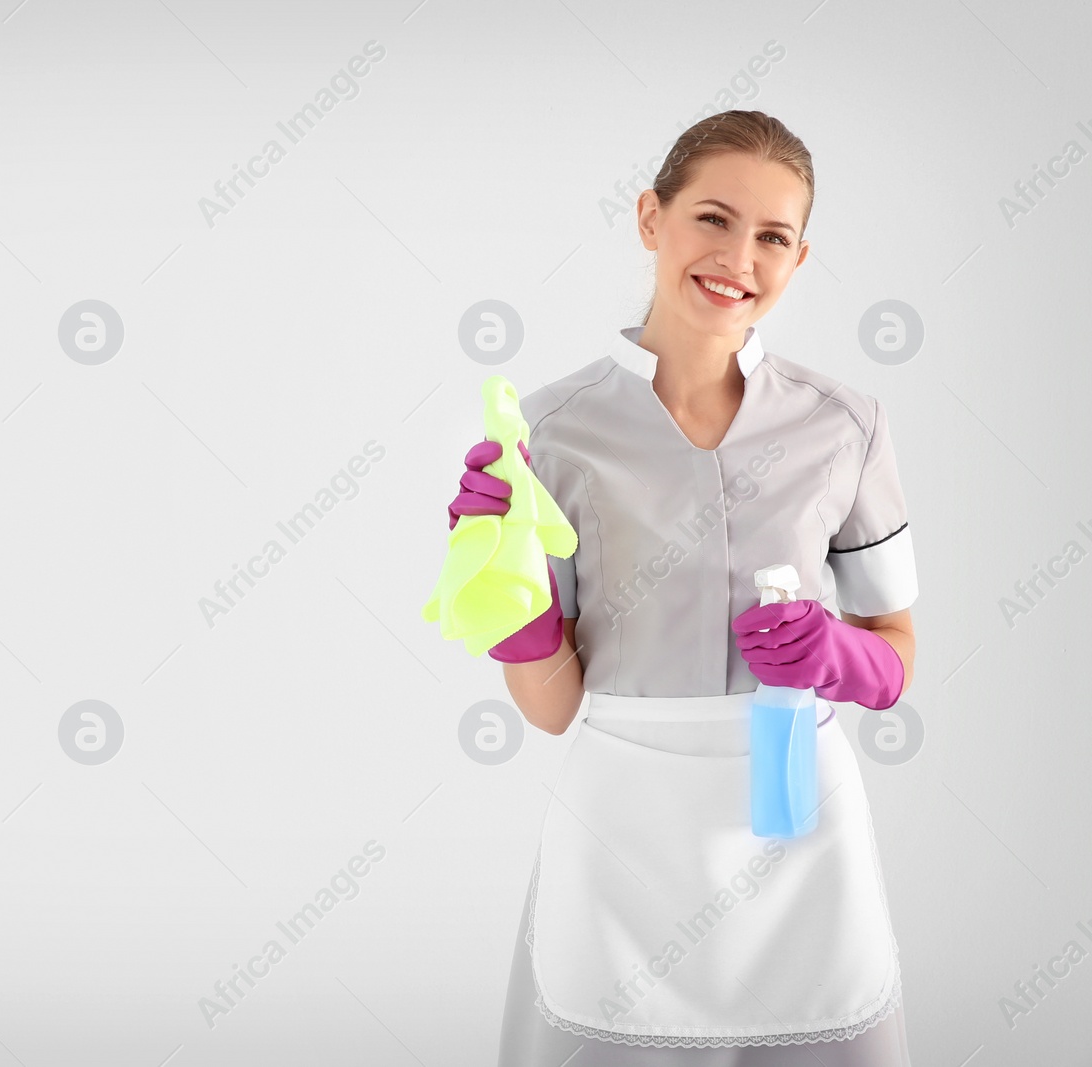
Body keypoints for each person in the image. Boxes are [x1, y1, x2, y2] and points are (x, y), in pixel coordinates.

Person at [446, 111, 917, 1064]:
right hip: (625, 829)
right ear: (651, 218)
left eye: (773, 236)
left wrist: (840, 656)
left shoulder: (846, 426)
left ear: (800, 255)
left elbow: (896, 652)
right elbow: (551, 709)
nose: (739, 256)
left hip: (798, 824)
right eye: (713, 218)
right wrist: (514, 607)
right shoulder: (552, 431)